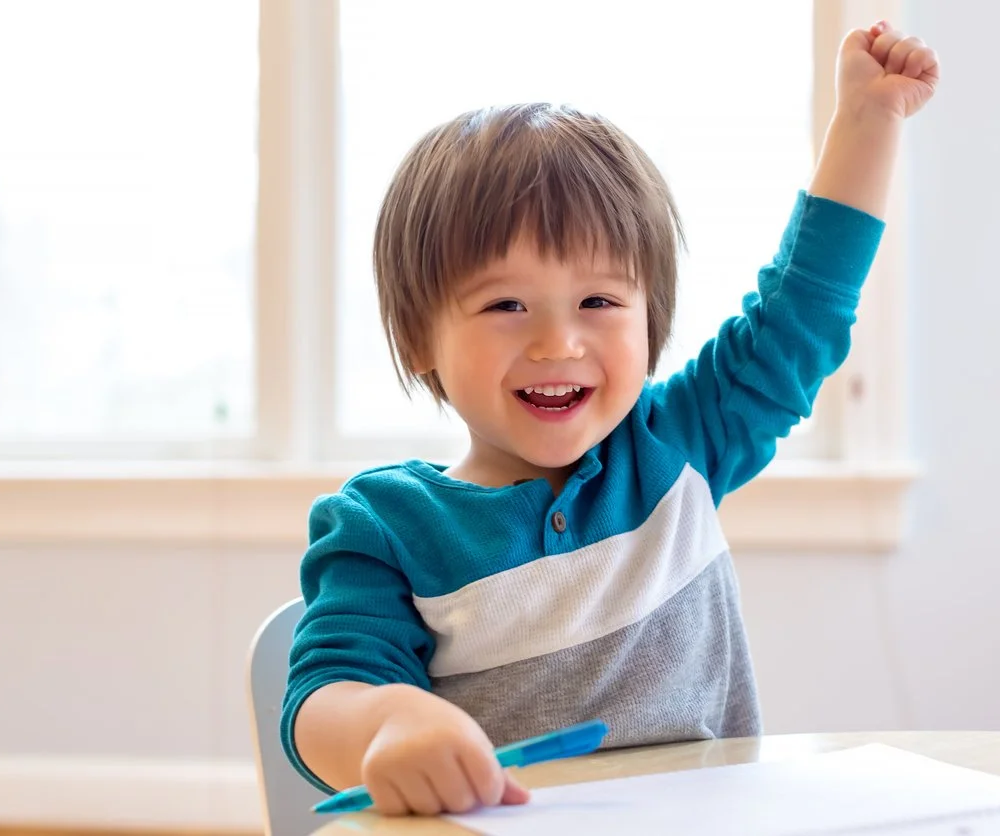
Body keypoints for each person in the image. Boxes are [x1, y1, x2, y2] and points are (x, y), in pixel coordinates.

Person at [281, 20, 940, 817]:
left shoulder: (679, 446)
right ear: (422, 335)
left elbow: (802, 307)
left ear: (650, 322)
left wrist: (866, 123)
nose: (558, 341)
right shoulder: (385, 526)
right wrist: (388, 721)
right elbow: (324, 698)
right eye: (505, 304)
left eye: (599, 301)